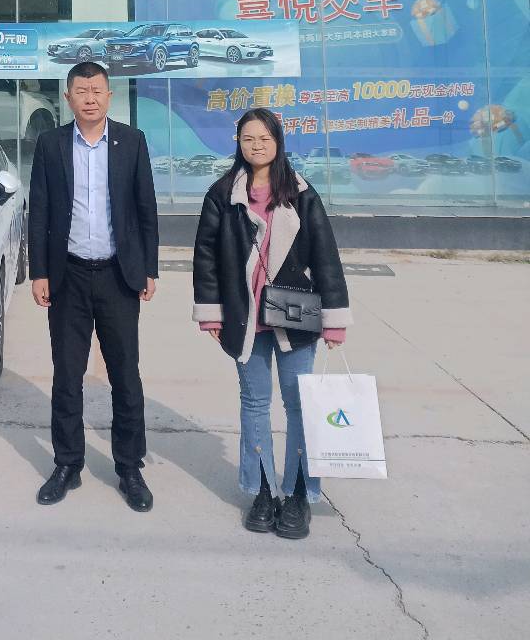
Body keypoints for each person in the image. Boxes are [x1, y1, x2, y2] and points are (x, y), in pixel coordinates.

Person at [191, 108, 352, 539]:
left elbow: (326, 255)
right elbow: (205, 258)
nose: (256, 145)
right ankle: (262, 490)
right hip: (244, 318)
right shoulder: (222, 194)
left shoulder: (301, 193)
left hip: (295, 314)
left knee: (299, 405)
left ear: (278, 141)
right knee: (254, 403)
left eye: (264, 138)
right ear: (238, 143)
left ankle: (298, 493)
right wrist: (211, 312)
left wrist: (334, 321)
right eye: (248, 138)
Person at [28, 60, 159, 512]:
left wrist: (149, 268)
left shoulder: (131, 141)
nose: (90, 98)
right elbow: (40, 211)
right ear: (68, 98)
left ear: (109, 96)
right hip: (68, 275)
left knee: (125, 375)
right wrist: (39, 271)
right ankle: (67, 463)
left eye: (97, 90)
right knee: (67, 376)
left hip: (119, 275)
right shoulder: (50, 144)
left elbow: (146, 208)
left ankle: (129, 467)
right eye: (81, 91)